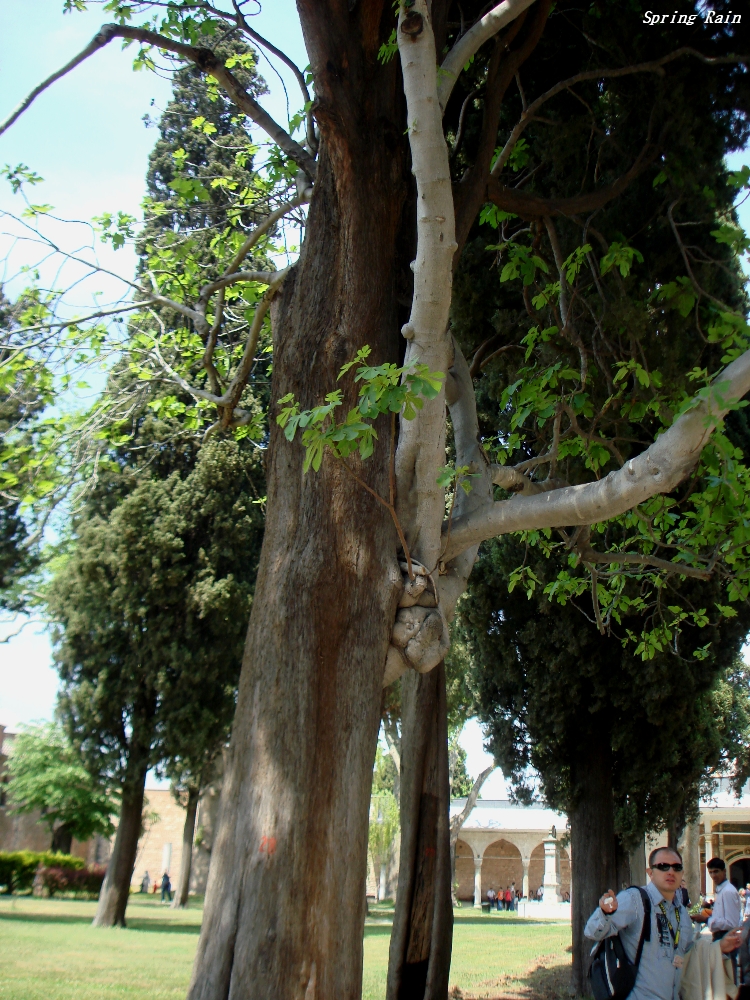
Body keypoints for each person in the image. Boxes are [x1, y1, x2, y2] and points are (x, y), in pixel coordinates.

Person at [585, 846, 741, 1000]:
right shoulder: (635, 899)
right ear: (650, 873)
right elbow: (592, 932)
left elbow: (689, 953)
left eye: (676, 867)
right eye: (663, 866)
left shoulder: (681, 912)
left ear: (682, 873)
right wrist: (605, 913)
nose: (670, 871)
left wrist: (719, 947)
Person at [692, 858, 741, 981]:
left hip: (726, 936)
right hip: (719, 936)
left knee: (728, 977)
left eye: (716, 872)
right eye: (711, 872)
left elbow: (731, 923)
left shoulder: (728, 892)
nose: (713, 875)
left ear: (724, 871)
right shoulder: (721, 890)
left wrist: (706, 920)